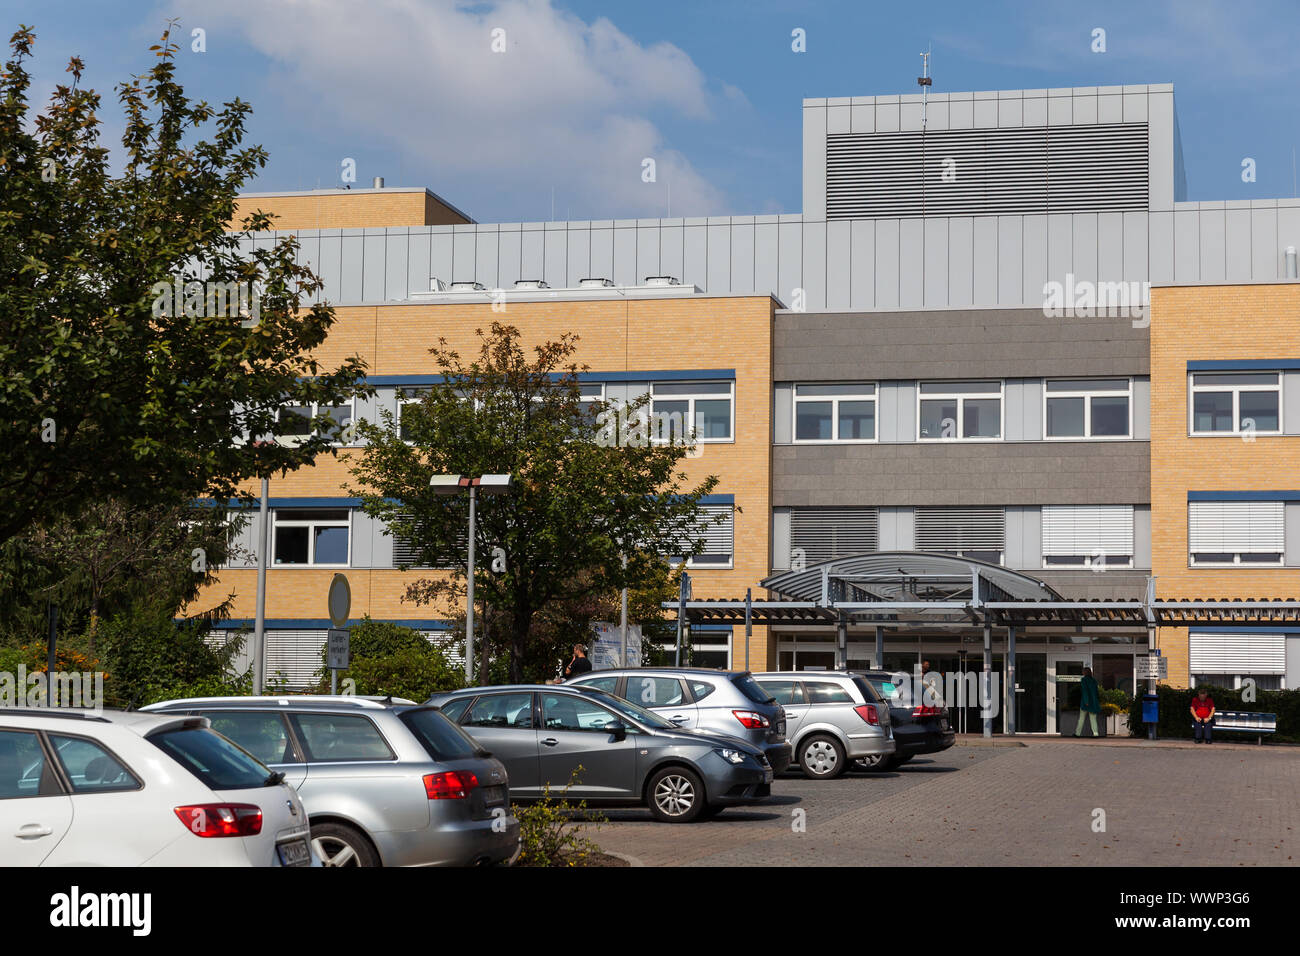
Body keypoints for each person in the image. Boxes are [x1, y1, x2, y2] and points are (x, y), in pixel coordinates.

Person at [1074, 666, 1101, 737]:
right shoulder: (1094, 681)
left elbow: (1085, 691)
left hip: (1085, 703)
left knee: (1081, 719)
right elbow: (1096, 692)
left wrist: (1086, 701)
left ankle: (1078, 733)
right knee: (1093, 719)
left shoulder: (1084, 680)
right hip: (1093, 702)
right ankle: (1095, 733)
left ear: (1084, 672)